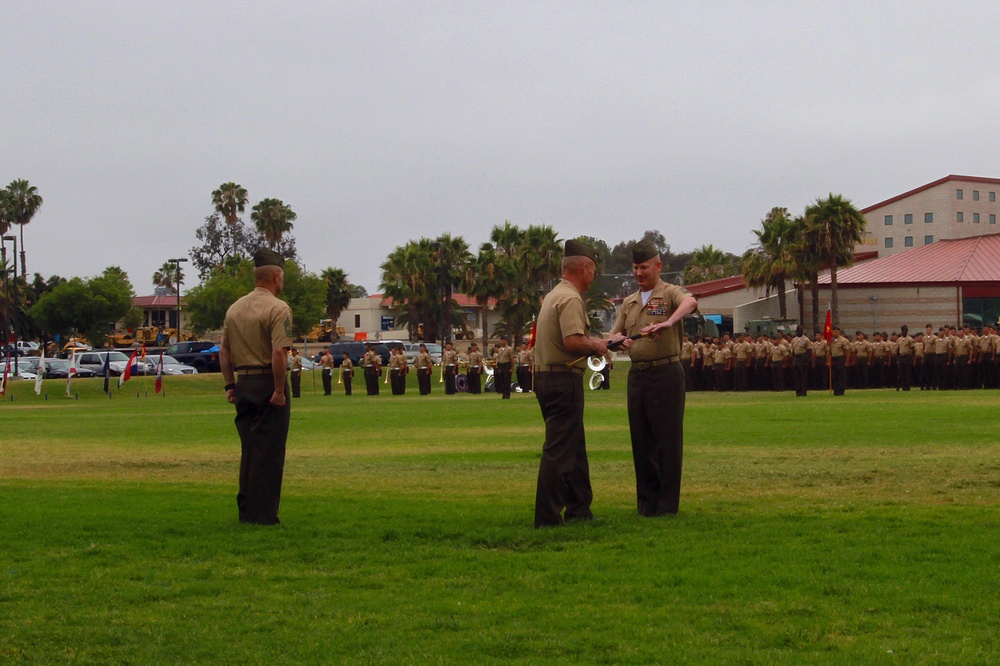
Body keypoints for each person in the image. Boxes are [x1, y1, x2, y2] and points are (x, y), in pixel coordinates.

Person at [533, 239, 622, 527]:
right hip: (562, 379)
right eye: (593, 270)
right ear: (583, 268)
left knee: (574, 447)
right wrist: (599, 345)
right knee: (560, 450)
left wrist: (605, 342)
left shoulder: (554, 295)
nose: (593, 276)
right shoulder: (570, 299)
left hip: (548, 377)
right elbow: (573, 341)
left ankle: (579, 508)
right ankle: (547, 517)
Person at [610, 240, 697, 517]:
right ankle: (646, 504)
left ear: (658, 266)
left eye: (644, 267)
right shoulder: (629, 302)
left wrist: (669, 322)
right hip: (638, 376)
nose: (639, 273)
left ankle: (667, 505)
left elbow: (691, 302)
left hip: (666, 373)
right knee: (641, 441)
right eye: (635, 268)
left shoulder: (669, 293)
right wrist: (618, 341)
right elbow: (614, 334)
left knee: (668, 441)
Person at [219, 248, 293, 525]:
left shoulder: (234, 308)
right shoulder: (279, 308)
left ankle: (247, 509)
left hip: (244, 383)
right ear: (276, 277)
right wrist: (279, 391)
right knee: (269, 451)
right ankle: (263, 514)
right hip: (267, 381)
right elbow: (279, 352)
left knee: (249, 449)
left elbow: (224, 351)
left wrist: (230, 385)